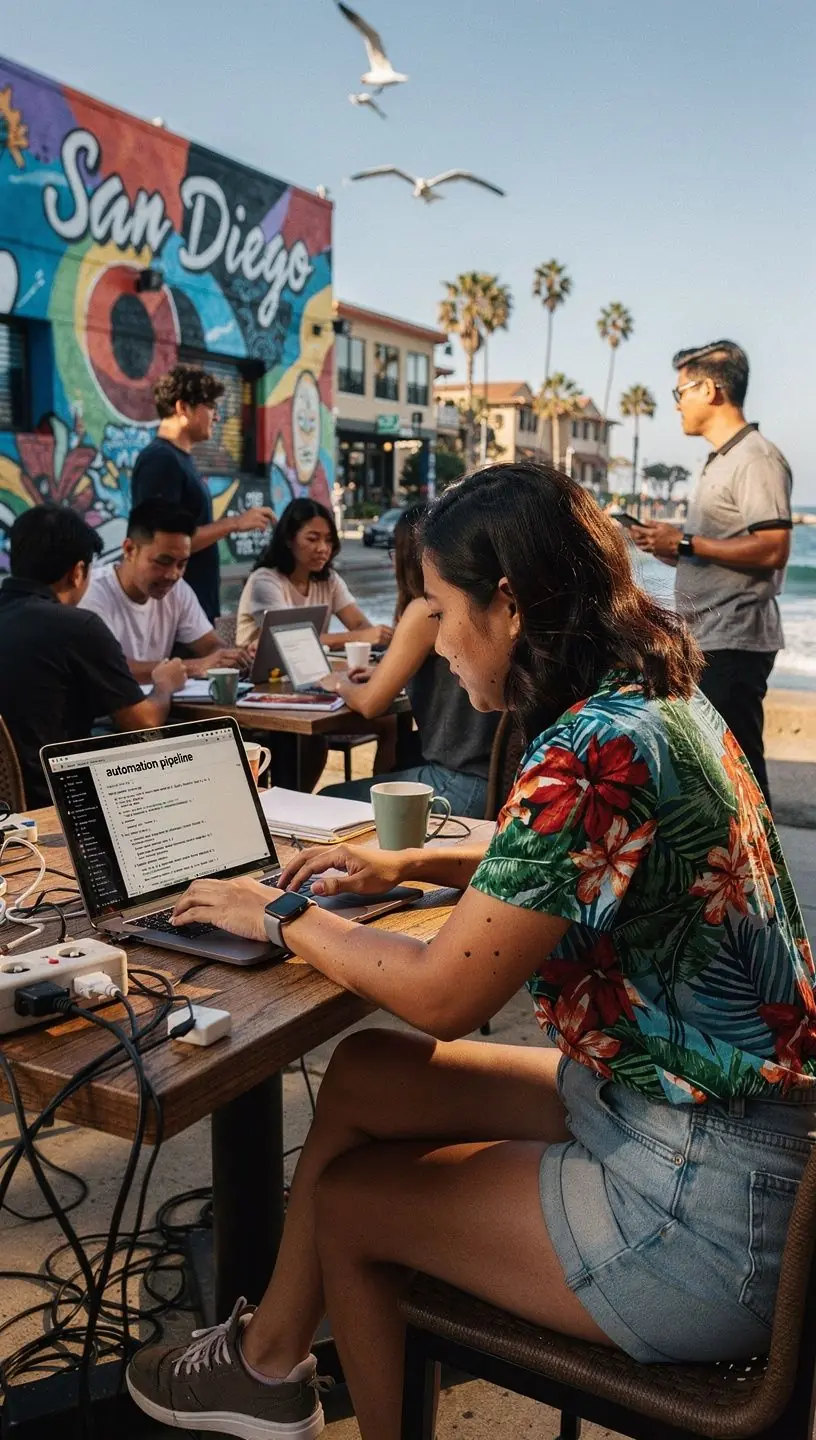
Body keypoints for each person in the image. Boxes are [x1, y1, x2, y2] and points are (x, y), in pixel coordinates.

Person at [128, 462, 815, 1440]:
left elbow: (445, 996)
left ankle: (281, 1378)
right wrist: (410, 863)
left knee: (354, 1209)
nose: (436, 642)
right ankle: (267, 1368)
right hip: (698, 1120)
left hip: (707, 1209)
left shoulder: (589, 751)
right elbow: (577, 852)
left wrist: (274, 911)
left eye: (441, 611)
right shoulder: (650, 701)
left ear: (509, 603)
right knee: (366, 1077)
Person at [631, 340, 792, 805]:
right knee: (714, 774)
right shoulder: (722, 458)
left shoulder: (755, 458)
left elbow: (774, 547)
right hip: (708, 636)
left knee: (738, 774)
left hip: (734, 639)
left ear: (710, 389)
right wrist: (671, 548)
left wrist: (685, 543)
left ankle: (758, 854)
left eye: (680, 392)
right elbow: (725, 551)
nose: (677, 404)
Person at [0, 505, 185, 807]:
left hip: (8, 809)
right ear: (78, 572)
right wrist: (164, 684)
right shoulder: (76, 627)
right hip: (56, 802)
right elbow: (144, 724)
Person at [319, 505, 498, 815]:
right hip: (497, 781)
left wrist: (339, 683)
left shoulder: (425, 611)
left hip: (457, 784)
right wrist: (383, 670)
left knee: (324, 799)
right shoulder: (478, 603)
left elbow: (371, 703)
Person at [131, 364, 275, 621]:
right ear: (182, 408)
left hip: (193, 605)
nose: (217, 418)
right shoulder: (161, 461)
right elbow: (163, 542)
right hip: (175, 612)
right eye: (210, 407)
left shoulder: (178, 459)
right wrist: (235, 523)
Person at [80, 500, 251, 683]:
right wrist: (197, 666)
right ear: (129, 550)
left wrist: (226, 659)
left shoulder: (178, 591)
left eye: (182, 564)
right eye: (163, 562)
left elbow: (210, 645)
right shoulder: (92, 592)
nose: (172, 574)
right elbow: (108, 668)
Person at [235, 497, 393, 650]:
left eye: (328, 540)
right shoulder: (264, 581)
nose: (323, 548)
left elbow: (359, 625)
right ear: (289, 539)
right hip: (257, 668)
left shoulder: (329, 580)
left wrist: (376, 635)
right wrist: (360, 637)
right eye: (312, 539)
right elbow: (288, 639)